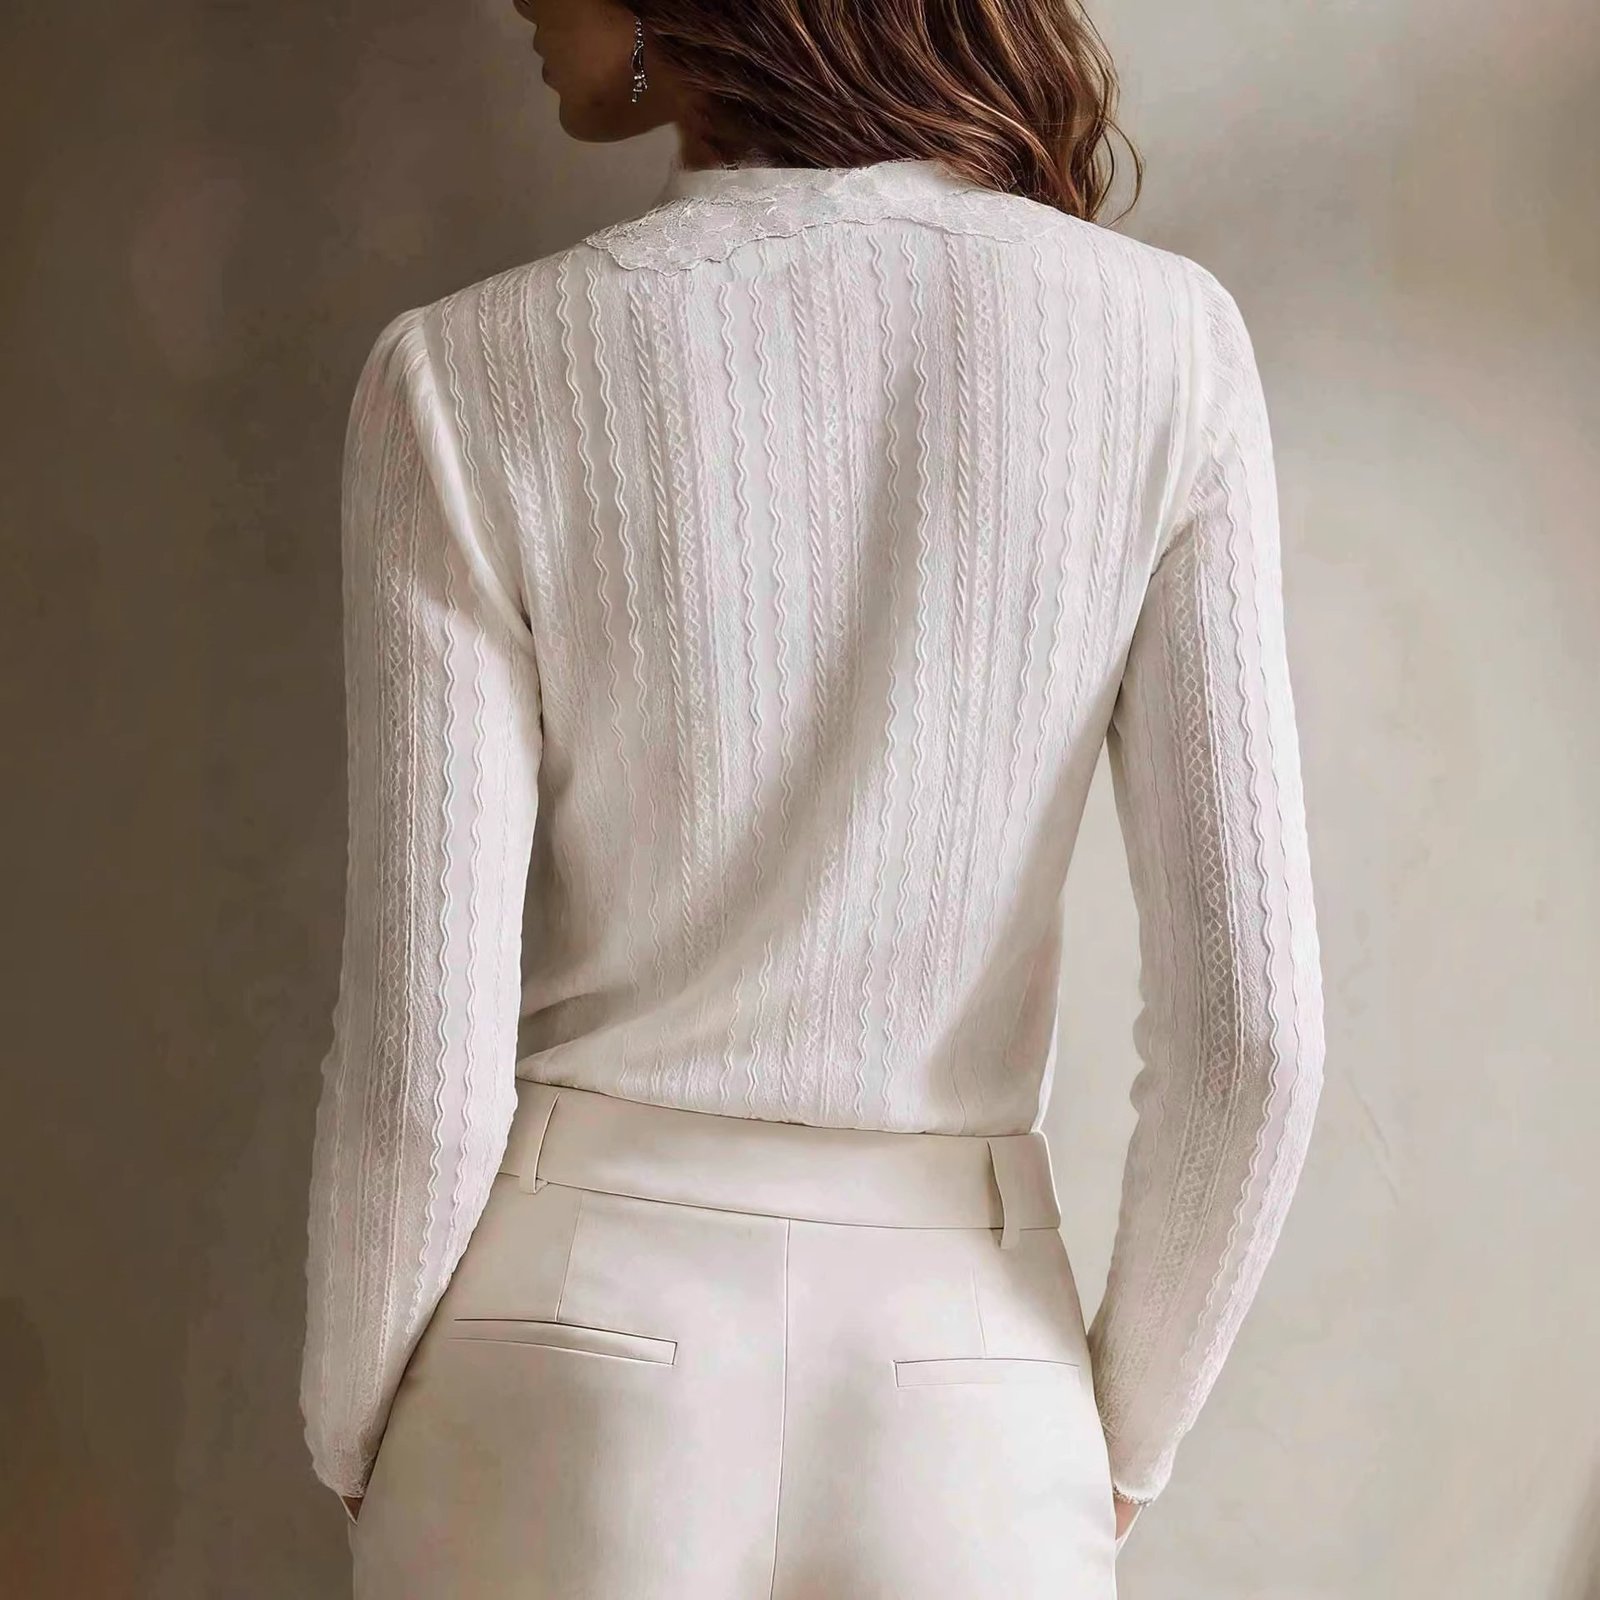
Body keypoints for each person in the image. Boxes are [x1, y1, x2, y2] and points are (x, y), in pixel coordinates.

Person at [299, 0, 1327, 1593]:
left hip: (565, 1346)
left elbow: (423, 1080)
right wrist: (1112, 1447)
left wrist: (358, 1430)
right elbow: (1252, 1043)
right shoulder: (1168, 346)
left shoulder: (464, 371)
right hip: (974, 1381)